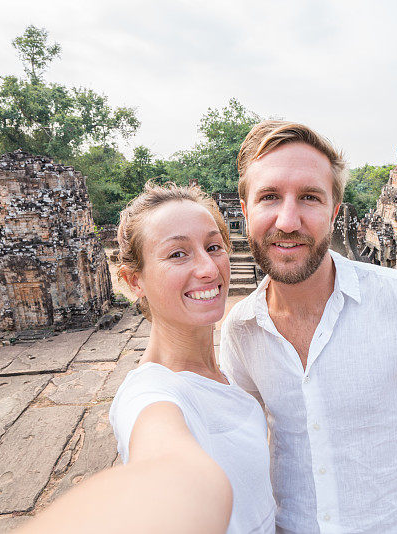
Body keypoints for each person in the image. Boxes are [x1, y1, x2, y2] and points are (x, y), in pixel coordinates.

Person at [219, 121, 397, 534]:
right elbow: (241, 452)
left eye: (309, 197)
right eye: (269, 197)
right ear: (245, 212)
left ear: (334, 213)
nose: (287, 220)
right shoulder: (241, 330)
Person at [17, 183, 275, 534]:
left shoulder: (228, 364)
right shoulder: (153, 397)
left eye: (213, 247)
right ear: (134, 280)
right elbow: (167, 471)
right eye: (177, 254)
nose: (208, 269)